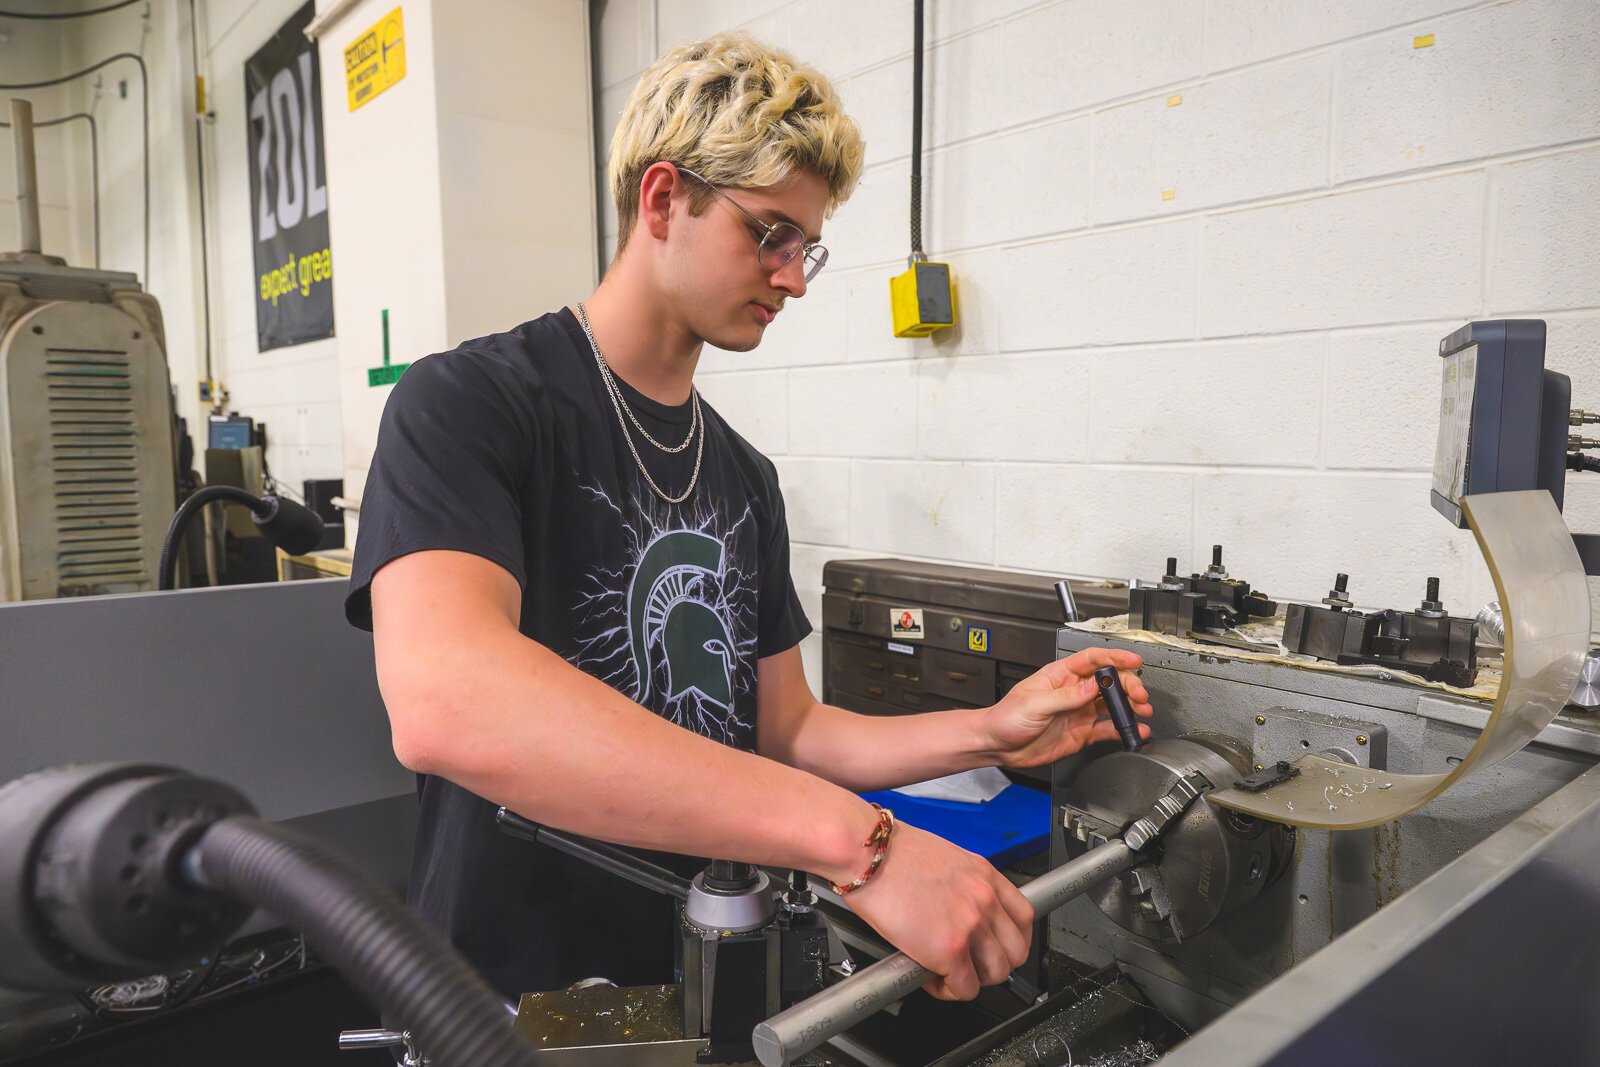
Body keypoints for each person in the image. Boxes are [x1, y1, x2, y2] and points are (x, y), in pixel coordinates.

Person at [345, 31, 1152, 1003]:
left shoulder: (742, 475)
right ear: (662, 198)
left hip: (699, 969)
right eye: (768, 233)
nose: (794, 277)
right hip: (506, 990)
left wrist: (989, 730)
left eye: (805, 244)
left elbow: (788, 730)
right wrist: (863, 843)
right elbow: (449, 704)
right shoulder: (473, 404)